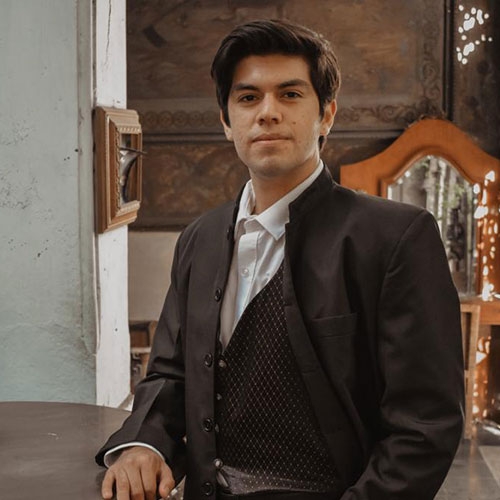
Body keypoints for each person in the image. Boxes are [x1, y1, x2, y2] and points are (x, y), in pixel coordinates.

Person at [96, 19, 464, 500]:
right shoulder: (199, 239)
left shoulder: (396, 238)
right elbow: (170, 373)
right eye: (248, 98)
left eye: (290, 94)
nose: (267, 113)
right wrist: (143, 445)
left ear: (326, 115)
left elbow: (425, 425)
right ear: (226, 121)